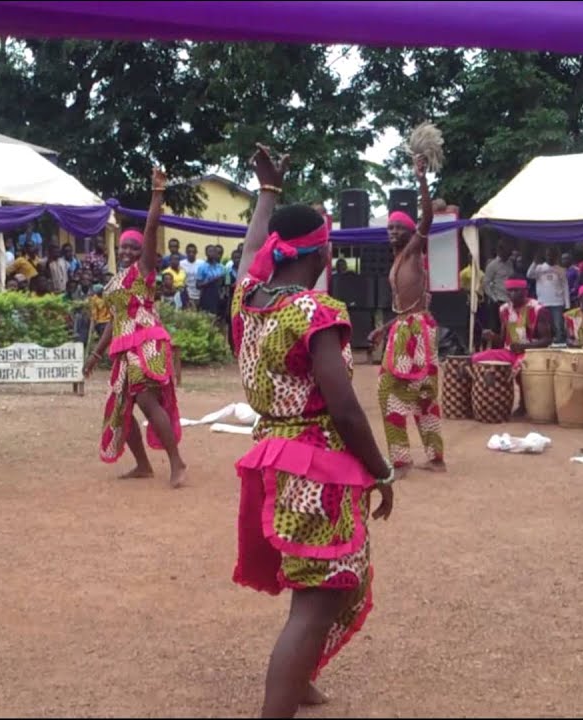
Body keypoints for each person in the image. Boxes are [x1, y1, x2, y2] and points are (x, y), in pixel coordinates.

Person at [231, 144, 394, 718]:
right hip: (314, 467)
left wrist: (267, 193)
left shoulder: (249, 298)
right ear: (323, 251)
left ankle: (300, 681)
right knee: (318, 600)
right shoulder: (315, 311)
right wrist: (384, 470)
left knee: (322, 585)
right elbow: (346, 410)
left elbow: (252, 247)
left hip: (273, 456)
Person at [83, 170, 186, 489]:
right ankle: (143, 465)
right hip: (123, 349)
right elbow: (115, 321)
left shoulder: (145, 272)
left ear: (142, 253)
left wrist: (157, 191)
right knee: (119, 408)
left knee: (145, 401)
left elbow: (151, 226)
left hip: (148, 343)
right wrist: (95, 355)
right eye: (124, 247)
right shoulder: (115, 282)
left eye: (133, 247)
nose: (127, 251)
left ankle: (177, 462)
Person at [368, 154, 444, 476]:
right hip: (408, 326)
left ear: (411, 232)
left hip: (416, 331)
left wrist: (422, 179)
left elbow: (426, 217)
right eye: (390, 227)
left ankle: (401, 461)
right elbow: (408, 307)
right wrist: (384, 327)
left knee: (390, 390)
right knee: (423, 393)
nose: (393, 231)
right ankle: (435, 458)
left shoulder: (414, 250)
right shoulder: (399, 261)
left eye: (399, 226)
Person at [475, 276, 551, 414]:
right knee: (476, 359)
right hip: (510, 352)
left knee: (519, 365)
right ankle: (483, 401)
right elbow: (503, 340)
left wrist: (524, 347)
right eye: (509, 291)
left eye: (516, 291)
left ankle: (524, 404)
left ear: (525, 291)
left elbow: (546, 340)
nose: (512, 294)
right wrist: (493, 336)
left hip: (531, 353)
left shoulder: (538, 309)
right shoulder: (504, 309)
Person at [527, 246, 570, 344]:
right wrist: (534, 262)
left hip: (557, 302)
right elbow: (529, 275)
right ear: (545, 256)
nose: (550, 257)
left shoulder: (561, 270)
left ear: (556, 257)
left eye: (552, 255)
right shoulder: (539, 268)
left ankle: (559, 346)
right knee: (544, 327)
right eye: (548, 255)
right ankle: (546, 345)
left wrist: (567, 304)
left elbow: (565, 287)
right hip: (542, 302)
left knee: (558, 327)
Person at [480, 241, 514, 339]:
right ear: (500, 251)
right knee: (497, 327)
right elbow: (486, 283)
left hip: (510, 300)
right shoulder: (492, 265)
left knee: (510, 324)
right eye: (507, 253)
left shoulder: (510, 263)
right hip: (499, 300)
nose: (508, 255)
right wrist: (494, 298)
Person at [196, 244, 228, 318]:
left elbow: (226, 283)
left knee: (218, 319)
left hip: (218, 297)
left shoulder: (221, 267)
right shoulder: (202, 267)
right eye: (209, 251)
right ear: (206, 253)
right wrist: (212, 281)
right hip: (207, 296)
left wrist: (223, 293)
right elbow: (198, 285)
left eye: (214, 251)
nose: (212, 253)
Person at [181, 242, 201, 309]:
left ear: (196, 252)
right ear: (186, 252)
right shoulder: (181, 264)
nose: (191, 254)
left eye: (193, 252)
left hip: (199, 294)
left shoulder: (201, 263)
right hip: (188, 294)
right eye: (189, 252)